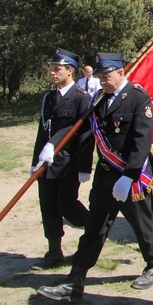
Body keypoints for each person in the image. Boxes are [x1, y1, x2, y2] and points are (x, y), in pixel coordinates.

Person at [37, 52, 153, 304]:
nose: (102, 80)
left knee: (143, 224)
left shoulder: (138, 99)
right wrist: (53, 144)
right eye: (99, 76)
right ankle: (75, 281)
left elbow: (142, 142)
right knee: (94, 228)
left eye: (107, 76)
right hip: (106, 178)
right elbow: (79, 126)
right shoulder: (98, 99)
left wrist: (128, 176)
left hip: (131, 178)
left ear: (120, 73)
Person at [30, 48, 94, 270]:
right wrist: (35, 161)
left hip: (68, 162)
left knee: (66, 204)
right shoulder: (48, 98)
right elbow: (43, 131)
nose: (52, 73)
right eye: (51, 69)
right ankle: (54, 251)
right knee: (48, 206)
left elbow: (85, 134)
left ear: (70, 70)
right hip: (46, 163)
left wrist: (84, 167)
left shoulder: (82, 98)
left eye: (57, 69)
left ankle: (94, 228)